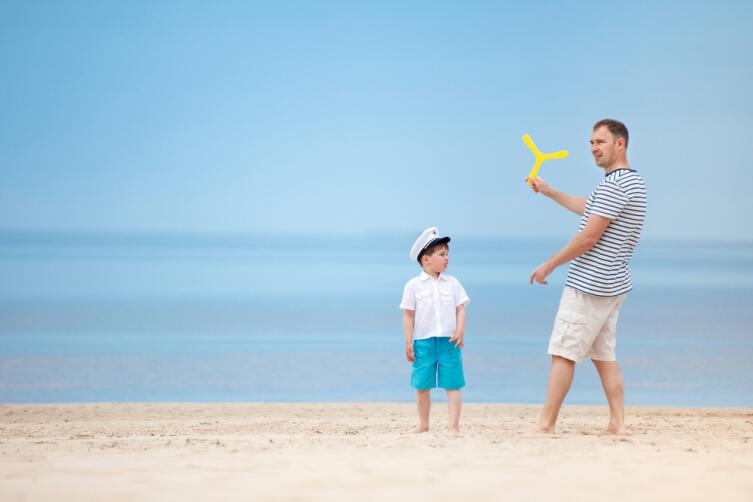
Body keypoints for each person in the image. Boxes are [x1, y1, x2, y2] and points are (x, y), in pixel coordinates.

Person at [527, 119, 647, 435]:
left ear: (620, 144)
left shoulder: (615, 184)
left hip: (590, 284)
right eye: (591, 142)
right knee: (604, 356)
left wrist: (550, 264)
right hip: (613, 284)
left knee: (564, 352)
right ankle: (617, 424)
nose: (594, 148)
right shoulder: (631, 183)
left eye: (601, 142)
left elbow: (588, 237)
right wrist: (551, 192)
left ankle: (546, 424)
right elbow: (590, 209)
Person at [400, 227, 470, 433]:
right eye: (442, 254)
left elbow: (460, 308)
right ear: (426, 259)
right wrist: (408, 341)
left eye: (447, 254)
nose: (447, 258)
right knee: (422, 385)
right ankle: (423, 424)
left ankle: (453, 426)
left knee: (453, 384)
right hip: (423, 342)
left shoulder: (453, 283)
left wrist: (460, 330)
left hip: (449, 341)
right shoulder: (413, 285)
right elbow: (408, 315)